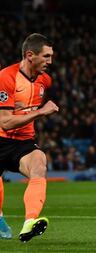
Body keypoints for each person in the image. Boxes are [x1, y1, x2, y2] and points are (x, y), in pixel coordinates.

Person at [0, 33, 59, 242]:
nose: (50, 61)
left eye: (51, 56)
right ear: (30, 55)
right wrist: (40, 112)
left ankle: (29, 223)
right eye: (46, 56)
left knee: (39, 163)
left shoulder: (45, 80)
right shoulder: (6, 77)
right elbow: (5, 122)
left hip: (22, 143)